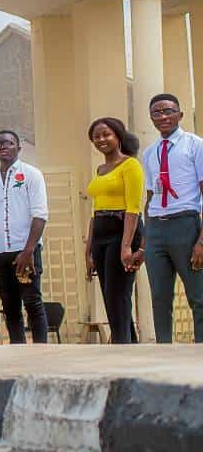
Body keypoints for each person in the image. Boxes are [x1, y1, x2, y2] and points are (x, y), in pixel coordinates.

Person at [141, 93, 203, 342]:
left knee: (198, 296)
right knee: (159, 297)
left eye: (168, 111)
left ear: (180, 114)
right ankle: (164, 352)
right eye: (157, 113)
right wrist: (146, 237)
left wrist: (201, 240)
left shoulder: (195, 145)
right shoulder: (149, 153)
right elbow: (149, 195)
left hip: (185, 225)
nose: (163, 116)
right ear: (151, 118)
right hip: (156, 227)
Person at [0, 129, 49, 344]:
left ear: (18, 147)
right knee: (10, 308)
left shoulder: (31, 174)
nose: (3, 147)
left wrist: (28, 251)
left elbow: (40, 214)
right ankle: (18, 351)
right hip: (0, 254)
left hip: (25, 251)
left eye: (8, 143)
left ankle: (41, 352)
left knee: (32, 302)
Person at [84, 117, 144, 344]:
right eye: (96, 136)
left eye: (106, 134)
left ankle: (120, 349)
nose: (101, 139)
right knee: (111, 297)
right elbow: (94, 211)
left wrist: (127, 246)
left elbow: (133, 208)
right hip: (100, 233)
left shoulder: (130, 165)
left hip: (122, 231)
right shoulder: (100, 169)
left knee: (117, 296)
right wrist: (88, 250)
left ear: (118, 136)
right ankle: (130, 346)